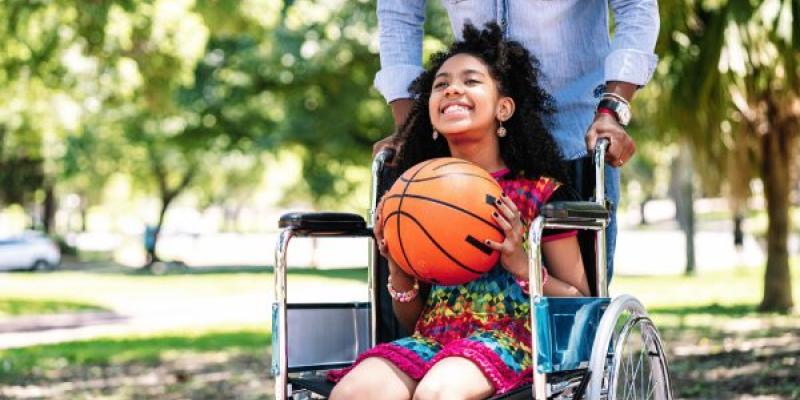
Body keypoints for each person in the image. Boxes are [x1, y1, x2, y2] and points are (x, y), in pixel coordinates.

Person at [329, 23, 589, 399]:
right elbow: (413, 320)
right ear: (430, 113)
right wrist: (400, 269)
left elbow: (580, 303)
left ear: (504, 107)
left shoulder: (538, 195)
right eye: (440, 84)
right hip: (432, 339)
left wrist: (523, 265)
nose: (452, 89)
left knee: (439, 392)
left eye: (471, 81)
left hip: (514, 340)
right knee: (354, 392)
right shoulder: (412, 196)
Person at [374, 0, 660, 280]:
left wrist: (612, 108)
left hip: (578, 135)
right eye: (443, 84)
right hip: (469, 158)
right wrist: (408, 129)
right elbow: (399, 15)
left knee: (576, 316)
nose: (451, 89)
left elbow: (636, 7)